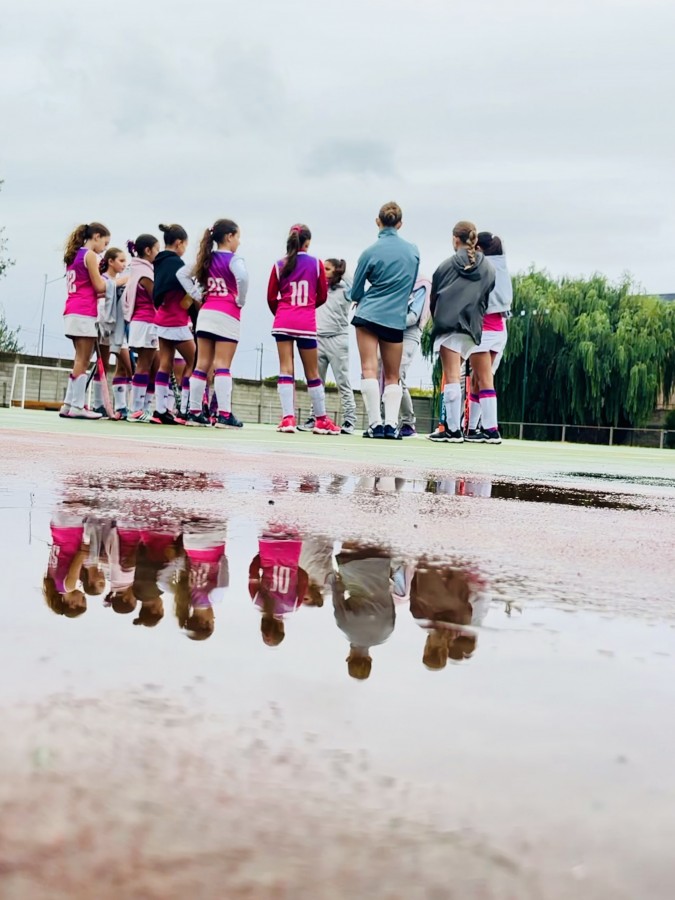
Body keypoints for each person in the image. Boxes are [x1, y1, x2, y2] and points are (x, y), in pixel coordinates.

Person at [348, 202, 419, 439]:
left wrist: (362, 297)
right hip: (395, 318)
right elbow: (409, 286)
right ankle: (391, 425)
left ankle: (374, 424)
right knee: (393, 374)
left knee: (368, 369)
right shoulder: (413, 252)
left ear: (378, 221)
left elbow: (356, 291)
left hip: (368, 314)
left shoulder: (369, 252)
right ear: (400, 224)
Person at [267, 224, 340, 435]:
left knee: (285, 369)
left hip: (283, 321)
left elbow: (272, 297)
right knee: (312, 373)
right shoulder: (316, 264)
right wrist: (307, 307)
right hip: (306, 322)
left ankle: (288, 418)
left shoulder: (279, 264)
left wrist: (282, 312)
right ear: (307, 243)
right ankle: (321, 419)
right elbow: (323, 295)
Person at [427, 221, 496, 444]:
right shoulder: (488, 267)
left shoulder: (445, 265)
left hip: (448, 324)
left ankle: (453, 430)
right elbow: (486, 294)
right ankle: (489, 429)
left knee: (452, 375)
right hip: (473, 326)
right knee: (477, 378)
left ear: (455, 239)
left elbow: (434, 296)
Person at [187, 218, 248, 428]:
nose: (239, 241)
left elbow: (182, 274)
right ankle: (224, 414)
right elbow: (243, 278)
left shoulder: (206, 258)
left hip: (206, 313)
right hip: (227, 313)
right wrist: (240, 300)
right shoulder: (234, 259)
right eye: (237, 236)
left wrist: (197, 294)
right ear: (229, 237)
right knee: (223, 365)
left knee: (201, 364)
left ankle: (194, 412)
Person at [464, 232, 513, 442]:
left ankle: (491, 429)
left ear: (480, 248)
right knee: (478, 378)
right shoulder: (502, 267)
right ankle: (473, 428)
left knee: (484, 378)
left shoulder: (481, 267)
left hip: (483, 329)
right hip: (499, 329)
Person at [151, 223, 203, 425]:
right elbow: (187, 295)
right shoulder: (178, 266)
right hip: (177, 320)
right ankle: (184, 409)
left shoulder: (159, 263)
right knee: (195, 361)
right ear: (179, 243)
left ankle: (160, 410)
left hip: (162, 319)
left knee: (165, 363)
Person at [298, 258, 356, 434]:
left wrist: (342, 269)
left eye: (328, 269)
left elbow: (356, 285)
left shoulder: (346, 290)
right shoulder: (317, 288)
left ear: (336, 271)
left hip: (338, 339)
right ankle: (314, 417)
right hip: (318, 339)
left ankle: (349, 420)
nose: (323, 271)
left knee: (343, 381)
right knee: (316, 381)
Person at [60, 222, 111, 419]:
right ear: (96, 237)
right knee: (83, 359)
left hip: (71, 310)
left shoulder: (73, 255)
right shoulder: (90, 255)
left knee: (79, 359)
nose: (104, 248)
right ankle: (78, 406)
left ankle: (68, 403)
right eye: (105, 243)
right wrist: (119, 281)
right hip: (84, 311)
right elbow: (99, 286)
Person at [330, 542, 397, 680]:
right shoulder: (345, 626)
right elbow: (337, 591)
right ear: (348, 658)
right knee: (354, 527)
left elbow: (390, 599)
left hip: (380, 562)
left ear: (370, 659)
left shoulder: (387, 632)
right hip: (351, 563)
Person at [248, 526, 309, 646]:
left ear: (281, 628)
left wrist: (293, 567)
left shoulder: (293, 606)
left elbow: (304, 579)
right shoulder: (257, 602)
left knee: (294, 519)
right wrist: (263, 556)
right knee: (274, 518)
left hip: (291, 551)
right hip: (268, 548)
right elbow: (253, 572)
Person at [123, 233, 161, 423]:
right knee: (144, 365)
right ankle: (136, 409)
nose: (158, 253)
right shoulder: (145, 273)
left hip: (144, 322)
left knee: (153, 365)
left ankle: (143, 407)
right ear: (148, 251)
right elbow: (157, 296)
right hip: (145, 321)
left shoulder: (137, 268)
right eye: (157, 249)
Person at [96, 247, 128, 419]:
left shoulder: (119, 280)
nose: (124, 264)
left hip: (119, 328)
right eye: (121, 261)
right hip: (106, 326)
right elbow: (101, 302)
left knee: (122, 366)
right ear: (111, 261)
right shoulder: (104, 279)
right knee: (104, 363)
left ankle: (121, 406)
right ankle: (99, 404)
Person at [398, 275, 431, 437]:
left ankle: (407, 423)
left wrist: (386, 320)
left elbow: (413, 317)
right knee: (379, 374)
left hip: (410, 332)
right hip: (390, 330)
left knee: (397, 374)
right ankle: (383, 420)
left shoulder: (422, 284)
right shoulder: (396, 280)